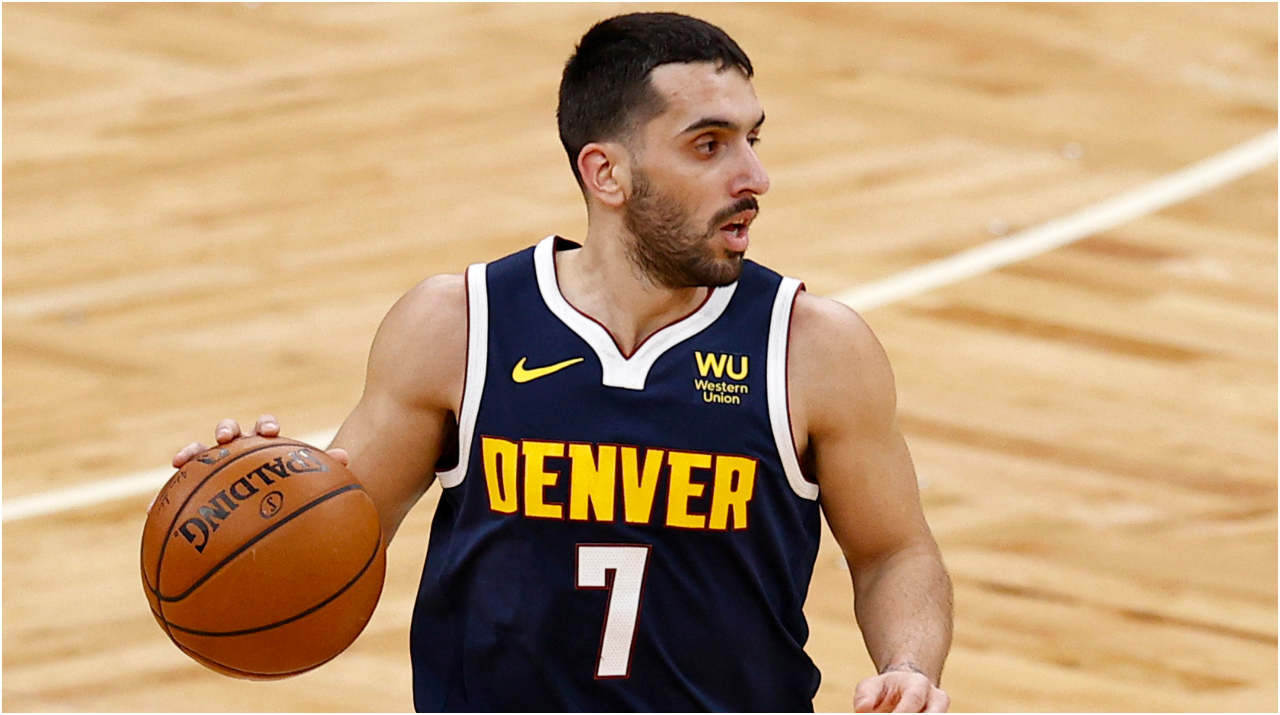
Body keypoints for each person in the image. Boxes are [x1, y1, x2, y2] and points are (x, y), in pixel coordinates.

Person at [174, 12, 953, 713]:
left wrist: (910, 664)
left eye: (754, 139)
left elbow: (895, 551)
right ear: (605, 172)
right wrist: (245, 490)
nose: (753, 177)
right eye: (709, 145)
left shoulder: (812, 348)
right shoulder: (458, 328)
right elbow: (331, 537)